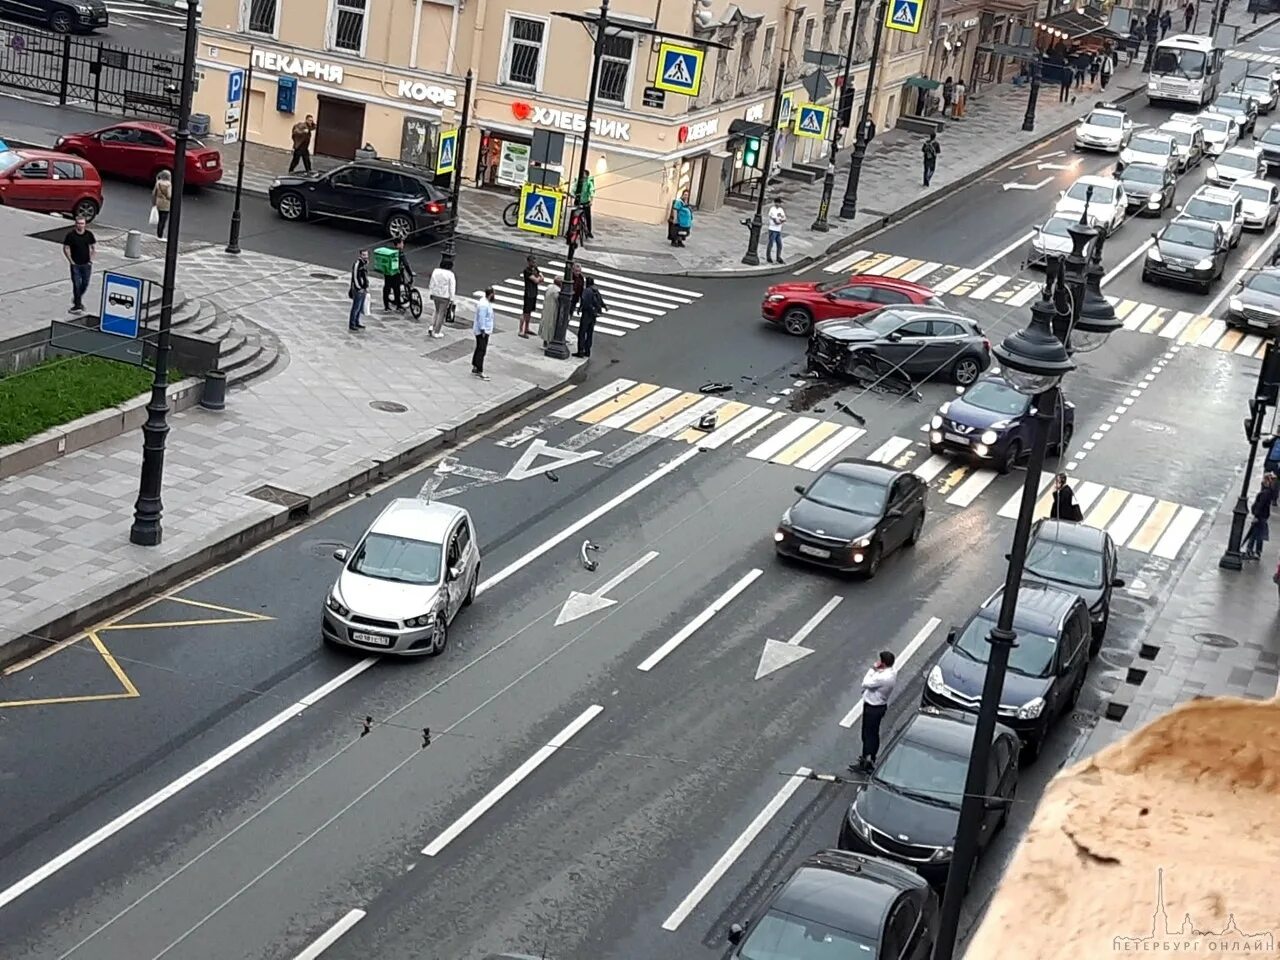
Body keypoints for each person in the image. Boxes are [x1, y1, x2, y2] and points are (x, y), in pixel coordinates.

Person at [850, 651, 897, 773]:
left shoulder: (882, 678)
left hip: (873, 708)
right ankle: (870, 758)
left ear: (883, 663)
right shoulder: (891, 673)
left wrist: (872, 669)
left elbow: (865, 683)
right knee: (873, 734)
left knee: (867, 735)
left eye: (880, 660)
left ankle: (866, 761)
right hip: (879, 706)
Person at [62, 216, 95, 314]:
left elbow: (93, 248)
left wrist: (90, 260)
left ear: (85, 224)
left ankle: (77, 299)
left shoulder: (89, 235)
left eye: (82, 223)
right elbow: (66, 248)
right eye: (79, 223)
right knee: (76, 285)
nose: (80, 225)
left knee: (85, 283)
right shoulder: (71, 235)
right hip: (75, 264)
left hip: (86, 264)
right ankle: (77, 305)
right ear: (75, 224)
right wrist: (71, 261)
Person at [574, 276, 607, 358]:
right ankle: (587, 351)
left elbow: (585, 303)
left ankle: (580, 351)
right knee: (589, 333)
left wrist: (580, 309)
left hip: (586, 315)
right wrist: (604, 306)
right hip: (593, 316)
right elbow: (600, 300)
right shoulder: (596, 290)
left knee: (582, 333)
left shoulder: (587, 291)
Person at [1243, 475, 1274, 559]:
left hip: (1260, 516)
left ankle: (1251, 550)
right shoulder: (1269, 492)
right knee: (1258, 533)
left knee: (1255, 534)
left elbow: (1260, 505)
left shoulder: (1264, 493)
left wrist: (1256, 515)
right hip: (1264, 516)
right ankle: (1256, 551)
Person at [427, 255, 456, 339]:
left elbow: (432, 282)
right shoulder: (450, 274)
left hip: (435, 294)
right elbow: (452, 287)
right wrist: (452, 298)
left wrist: (431, 291)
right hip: (444, 295)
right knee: (441, 313)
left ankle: (432, 326)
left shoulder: (435, 271)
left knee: (436, 310)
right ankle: (437, 331)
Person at [472, 287, 495, 379]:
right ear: (491, 294)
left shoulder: (485, 302)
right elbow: (481, 318)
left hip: (483, 330)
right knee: (482, 350)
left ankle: (475, 365)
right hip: (482, 331)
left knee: (479, 348)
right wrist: (483, 330)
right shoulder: (484, 305)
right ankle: (479, 369)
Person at [519, 254, 543, 339]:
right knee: (525, 312)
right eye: (533, 262)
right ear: (529, 262)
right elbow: (536, 280)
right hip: (528, 293)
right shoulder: (527, 271)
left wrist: (539, 277)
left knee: (529, 312)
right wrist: (539, 278)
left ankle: (527, 328)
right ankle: (521, 330)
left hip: (534, 293)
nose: (534, 263)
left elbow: (542, 278)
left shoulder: (535, 269)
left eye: (535, 262)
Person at [382, 237, 407, 313]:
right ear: (398, 244)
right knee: (397, 290)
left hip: (388, 273)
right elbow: (406, 264)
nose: (403, 245)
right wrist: (410, 273)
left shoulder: (390, 251)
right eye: (402, 243)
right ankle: (398, 306)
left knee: (387, 288)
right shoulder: (400, 253)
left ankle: (386, 306)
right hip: (396, 274)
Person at [348, 250, 369, 331]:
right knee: (356, 307)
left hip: (363, 288)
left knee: (360, 307)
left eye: (366, 255)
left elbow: (365, 276)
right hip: (358, 289)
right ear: (360, 255)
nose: (365, 256)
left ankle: (357, 322)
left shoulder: (364, 263)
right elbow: (355, 277)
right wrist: (358, 287)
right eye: (363, 255)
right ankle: (352, 324)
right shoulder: (357, 264)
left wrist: (366, 287)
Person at [574, 168, 597, 240]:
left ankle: (589, 231)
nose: (583, 176)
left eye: (584, 175)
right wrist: (572, 194)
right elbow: (574, 188)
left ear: (587, 176)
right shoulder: (578, 180)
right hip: (578, 201)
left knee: (588, 217)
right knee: (574, 215)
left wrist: (591, 201)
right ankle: (570, 231)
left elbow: (592, 191)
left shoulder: (589, 182)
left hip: (586, 202)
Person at [151, 169, 172, 239]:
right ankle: (161, 235)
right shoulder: (169, 185)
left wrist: (154, 202)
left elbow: (154, 193)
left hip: (158, 202)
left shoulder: (158, 183)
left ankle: (158, 234)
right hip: (166, 204)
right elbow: (169, 195)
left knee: (159, 219)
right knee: (163, 220)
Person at [766, 197, 787, 263]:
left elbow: (784, 218)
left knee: (779, 244)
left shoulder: (781, 210)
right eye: (777, 203)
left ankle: (778, 257)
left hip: (778, 229)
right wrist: (779, 221)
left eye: (779, 203)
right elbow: (774, 219)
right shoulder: (772, 209)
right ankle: (768, 257)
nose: (778, 204)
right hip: (772, 229)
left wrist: (780, 221)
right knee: (771, 243)